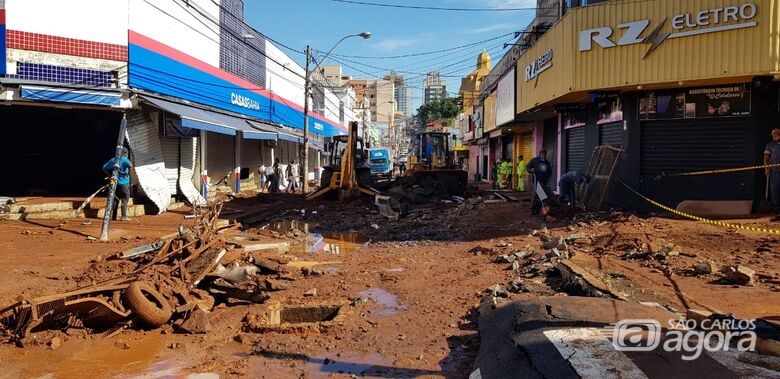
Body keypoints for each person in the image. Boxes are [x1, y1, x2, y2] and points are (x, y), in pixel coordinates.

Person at [102, 147, 134, 221]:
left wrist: (110, 176)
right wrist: (128, 173)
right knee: (125, 199)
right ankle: (124, 216)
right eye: (127, 153)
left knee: (116, 199)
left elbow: (104, 168)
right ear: (125, 153)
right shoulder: (125, 159)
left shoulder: (113, 160)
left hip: (115, 183)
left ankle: (114, 216)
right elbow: (130, 166)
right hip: (124, 184)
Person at [527, 149, 556, 215]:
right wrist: (530, 170)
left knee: (542, 196)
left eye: (544, 153)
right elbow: (527, 166)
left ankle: (539, 210)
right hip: (537, 181)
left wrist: (548, 176)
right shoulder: (534, 160)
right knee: (536, 195)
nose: (543, 154)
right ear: (539, 153)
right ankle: (533, 210)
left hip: (544, 182)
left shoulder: (547, 162)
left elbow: (549, 171)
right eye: (542, 153)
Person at [765, 128, 780, 212]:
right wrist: (766, 168)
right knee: (774, 189)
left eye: (775, 135)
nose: (774, 137)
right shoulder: (769, 145)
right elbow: (766, 158)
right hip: (774, 171)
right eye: (773, 136)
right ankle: (776, 208)